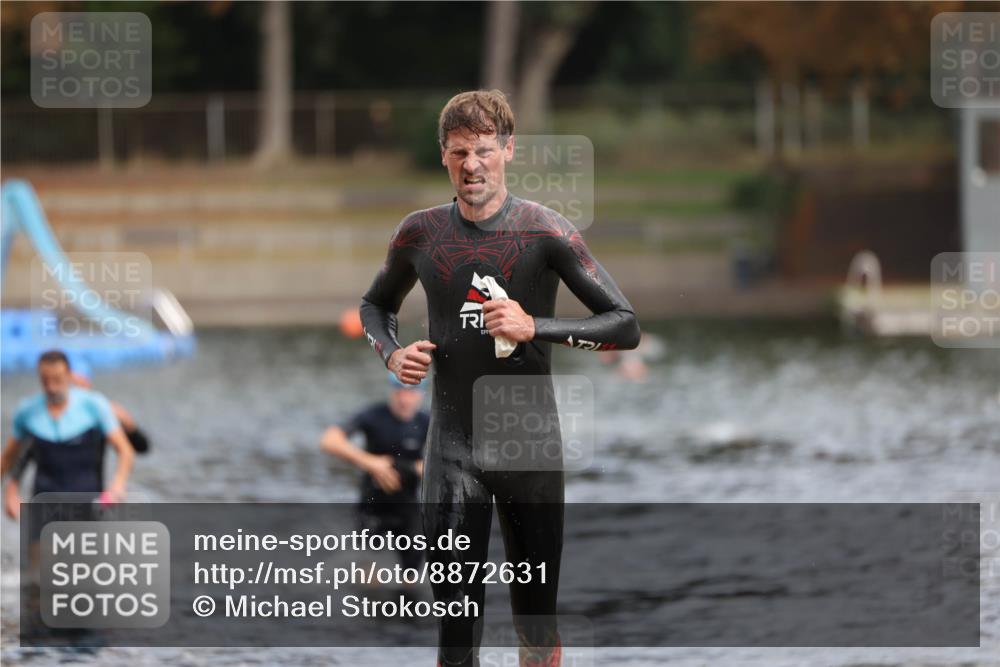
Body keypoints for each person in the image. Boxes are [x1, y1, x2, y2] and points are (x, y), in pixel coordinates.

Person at [359, 90, 640, 667]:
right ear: (444, 156)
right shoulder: (419, 234)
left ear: (508, 150)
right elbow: (373, 305)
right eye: (460, 152)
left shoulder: (546, 233)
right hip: (453, 452)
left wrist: (534, 324)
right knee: (456, 637)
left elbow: (625, 327)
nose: (472, 165)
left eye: (485, 150)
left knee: (535, 633)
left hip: (529, 451)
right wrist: (391, 354)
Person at [1, 350, 135, 522]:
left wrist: (118, 484)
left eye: (57, 380)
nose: (51, 387)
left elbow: (126, 450)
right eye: (45, 381)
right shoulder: (27, 412)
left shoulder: (94, 406)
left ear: (69, 376)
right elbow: (9, 458)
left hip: (87, 505)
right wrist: (11, 490)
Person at [320, 372, 429, 569]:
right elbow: (329, 440)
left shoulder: (425, 422)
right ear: (392, 391)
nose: (405, 398)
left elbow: (446, 460)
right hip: (372, 505)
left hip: (407, 506)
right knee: (369, 576)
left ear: (421, 394)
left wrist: (414, 468)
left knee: (412, 574)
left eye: (411, 392)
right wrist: (370, 462)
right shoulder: (374, 416)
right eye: (399, 391)